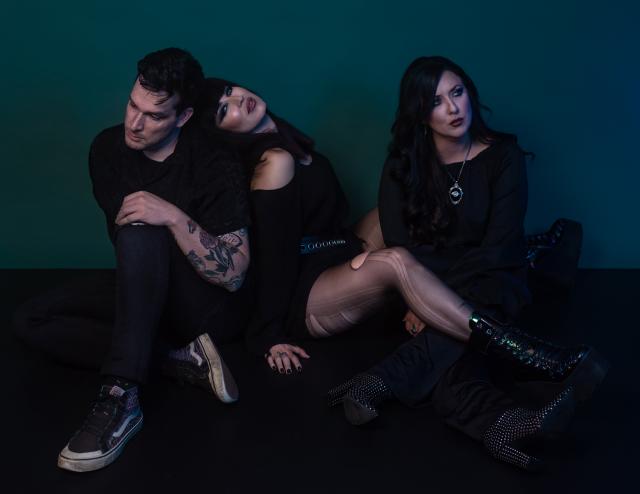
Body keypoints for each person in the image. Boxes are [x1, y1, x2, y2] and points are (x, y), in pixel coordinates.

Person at [198, 57, 606, 470]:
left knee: (422, 253)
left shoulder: (291, 145)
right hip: (302, 290)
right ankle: (531, 353)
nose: (238, 100)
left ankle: (404, 385)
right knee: (407, 262)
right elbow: (274, 257)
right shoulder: (278, 161)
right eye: (223, 109)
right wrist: (267, 334)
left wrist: (422, 300)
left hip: (340, 254)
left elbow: (488, 245)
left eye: (231, 90)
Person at [12, 48, 251, 472]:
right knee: (31, 320)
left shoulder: (214, 162)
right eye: (132, 106)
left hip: (206, 308)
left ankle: (122, 397)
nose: (135, 124)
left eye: (154, 116)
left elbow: (234, 275)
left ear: (182, 116)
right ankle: (180, 361)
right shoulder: (107, 149)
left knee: (142, 226)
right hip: (145, 289)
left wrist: (172, 216)